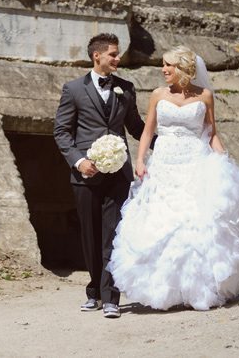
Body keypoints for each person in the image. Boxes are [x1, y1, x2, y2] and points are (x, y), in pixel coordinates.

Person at [108, 46, 239, 311]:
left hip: (195, 163)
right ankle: (165, 290)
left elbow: (212, 134)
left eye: (168, 65)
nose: (163, 69)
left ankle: (197, 288)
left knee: (193, 222)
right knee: (162, 222)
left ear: (183, 67)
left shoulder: (205, 96)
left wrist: (225, 160)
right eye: (163, 64)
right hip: (163, 164)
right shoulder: (157, 95)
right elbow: (148, 132)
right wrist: (140, 160)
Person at [54, 33, 149, 319]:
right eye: (114, 55)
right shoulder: (73, 90)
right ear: (98, 56)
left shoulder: (127, 89)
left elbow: (135, 126)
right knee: (91, 236)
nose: (118, 59)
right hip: (86, 176)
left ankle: (111, 297)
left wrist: (163, 141)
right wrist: (79, 161)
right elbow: (61, 132)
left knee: (113, 235)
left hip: (118, 175)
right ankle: (94, 291)